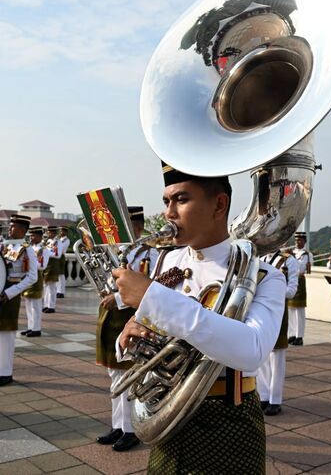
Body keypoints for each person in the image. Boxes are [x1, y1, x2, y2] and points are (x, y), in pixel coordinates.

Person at [113, 162, 285, 473]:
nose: (168, 213)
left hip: (228, 422)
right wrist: (127, 338)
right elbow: (146, 328)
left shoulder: (265, 275)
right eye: (166, 201)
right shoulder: (167, 261)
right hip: (165, 410)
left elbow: (252, 350)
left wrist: (153, 298)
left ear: (219, 204)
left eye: (181, 199)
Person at [96, 206, 158, 452]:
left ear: (138, 227)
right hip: (110, 319)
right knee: (114, 375)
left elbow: (151, 287)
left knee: (130, 376)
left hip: (132, 317)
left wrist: (118, 299)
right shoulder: (115, 252)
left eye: (124, 226)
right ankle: (118, 425)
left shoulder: (149, 254)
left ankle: (131, 430)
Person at [0, 215, 37, 386]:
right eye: (10, 226)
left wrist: (12, 292)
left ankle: (6, 373)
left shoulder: (27, 249)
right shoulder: (6, 246)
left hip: (10, 293)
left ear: (22, 230)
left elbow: (32, 277)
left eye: (13, 227)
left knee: (6, 335)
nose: (10, 229)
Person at [257, 248, 298, 416]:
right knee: (262, 354)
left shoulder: (289, 260)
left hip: (278, 310)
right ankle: (263, 395)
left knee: (277, 357)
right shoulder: (260, 257)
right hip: (260, 309)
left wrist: (271, 290)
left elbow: (292, 291)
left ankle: (275, 399)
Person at [21, 227, 50, 337]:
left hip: (36, 277)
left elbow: (42, 266)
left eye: (33, 235)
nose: (31, 237)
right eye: (30, 235)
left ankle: (36, 328)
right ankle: (30, 327)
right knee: (28, 304)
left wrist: (29, 264)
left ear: (39, 236)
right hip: (27, 277)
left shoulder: (43, 249)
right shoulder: (30, 248)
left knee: (35, 305)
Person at [287, 231, 311, 346]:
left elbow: (300, 268)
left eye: (300, 240)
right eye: (296, 240)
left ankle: (299, 336)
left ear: (304, 241)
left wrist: (292, 257)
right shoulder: (291, 252)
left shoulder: (306, 254)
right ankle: (291, 334)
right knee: (290, 309)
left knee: (299, 310)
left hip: (300, 280)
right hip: (291, 279)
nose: (297, 242)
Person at [42, 226, 62, 313]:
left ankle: (51, 306)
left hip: (53, 265)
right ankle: (46, 305)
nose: (47, 233)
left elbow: (58, 255)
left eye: (49, 232)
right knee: (46, 286)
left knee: (52, 287)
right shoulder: (48, 241)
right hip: (47, 265)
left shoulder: (58, 242)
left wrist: (46, 253)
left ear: (53, 233)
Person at [56, 227, 71, 298]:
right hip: (57, 257)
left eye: (62, 231)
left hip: (61, 256)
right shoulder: (59, 239)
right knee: (57, 275)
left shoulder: (66, 240)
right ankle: (58, 290)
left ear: (66, 232)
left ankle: (61, 291)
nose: (61, 232)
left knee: (61, 275)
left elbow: (61, 248)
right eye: (60, 231)